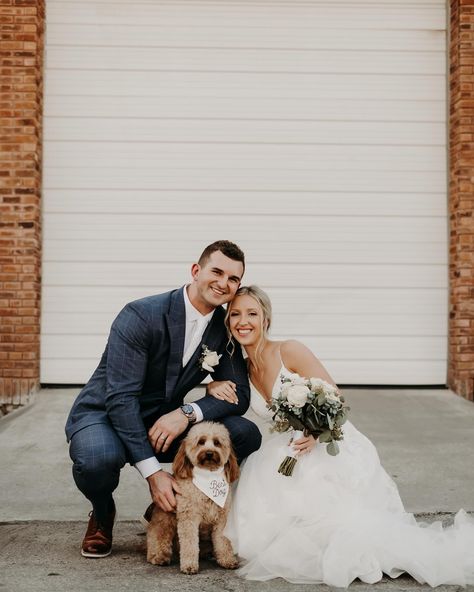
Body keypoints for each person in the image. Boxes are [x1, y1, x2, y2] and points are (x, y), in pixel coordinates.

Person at [206, 285, 474, 587]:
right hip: (286, 446)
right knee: (264, 496)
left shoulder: (289, 350)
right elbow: (230, 395)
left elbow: (335, 397)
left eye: (252, 313)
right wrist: (211, 387)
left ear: (266, 318)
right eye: (235, 314)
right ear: (228, 322)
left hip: (325, 441)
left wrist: (316, 432)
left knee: (337, 521)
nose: (243, 321)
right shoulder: (240, 369)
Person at [65, 241, 262, 558]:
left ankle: (174, 505)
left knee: (244, 433)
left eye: (233, 278)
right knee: (95, 461)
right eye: (217, 272)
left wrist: (188, 412)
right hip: (105, 415)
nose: (224, 283)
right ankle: (102, 513)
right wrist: (154, 474)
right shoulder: (141, 315)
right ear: (196, 271)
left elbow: (239, 395)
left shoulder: (225, 327)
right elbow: (120, 398)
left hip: (163, 422)